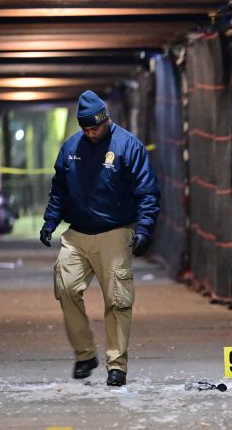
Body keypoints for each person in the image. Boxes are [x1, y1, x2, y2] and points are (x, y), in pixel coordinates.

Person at [39, 90, 160, 386]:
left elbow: (147, 193)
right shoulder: (71, 148)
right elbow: (59, 190)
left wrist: (144, 229)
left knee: (118, 300)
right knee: (65, 287)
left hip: (115, 233)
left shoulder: (128, 146)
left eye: (95, 127)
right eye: (85, 129)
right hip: (77, 234)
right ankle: (85, 354)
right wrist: (50, 222)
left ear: (106, 119)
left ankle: (116, 365)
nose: (90, 133)